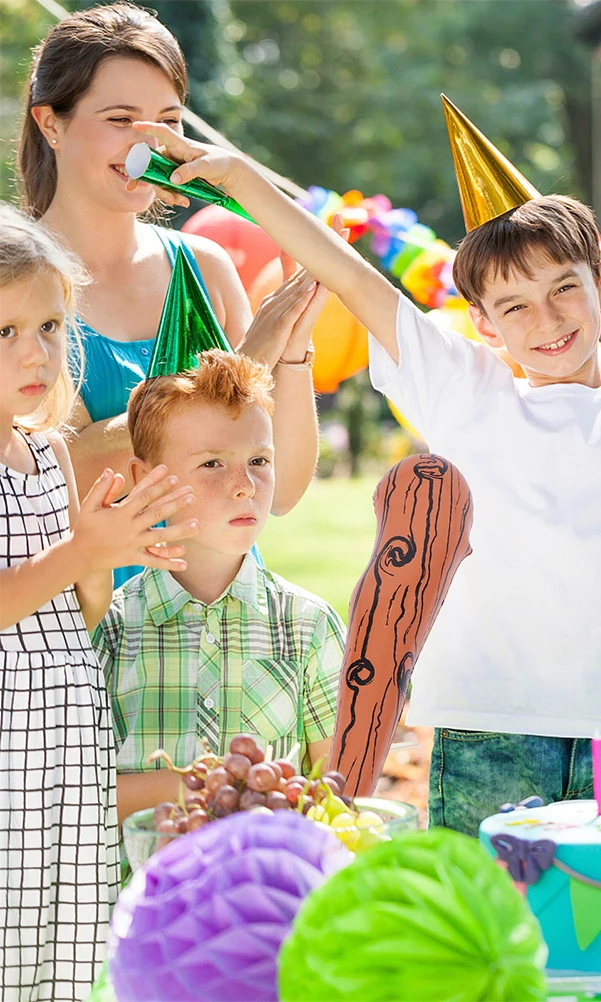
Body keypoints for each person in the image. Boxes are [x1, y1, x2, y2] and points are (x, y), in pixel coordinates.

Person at [134, 95, 601, 835]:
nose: (547, 320)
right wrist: (238, 177)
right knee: (494, 956)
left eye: (563, 289)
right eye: (515, 307)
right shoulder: (463, 388)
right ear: (483, 324)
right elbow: (347, 271)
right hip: (486, 735)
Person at [18, 1, 326, 584]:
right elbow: (59, 477)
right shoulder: (19, 288)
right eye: (119, 119)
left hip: (230, 634)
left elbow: (279, 491)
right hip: (105, 642)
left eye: (169, 118)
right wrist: (247, 363)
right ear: (50, 122)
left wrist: (292, 350)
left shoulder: (205, 268)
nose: (149, 143)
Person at [0, 204, 197, 1000]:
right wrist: (82, 552)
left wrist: (105, 558)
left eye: (50, 325)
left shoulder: (48, 454)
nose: (35, 352)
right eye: (3, 332)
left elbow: (61, 619)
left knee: (67, 947)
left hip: (67, 742)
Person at [91, 350, 345, 823]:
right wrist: (196, 788)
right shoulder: (109, 629)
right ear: (147, 482)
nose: (245, 485)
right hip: (139, 891)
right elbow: (79, 792)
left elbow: (336, 792)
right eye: (212, 464)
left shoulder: (309, 626)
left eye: (258, 460)